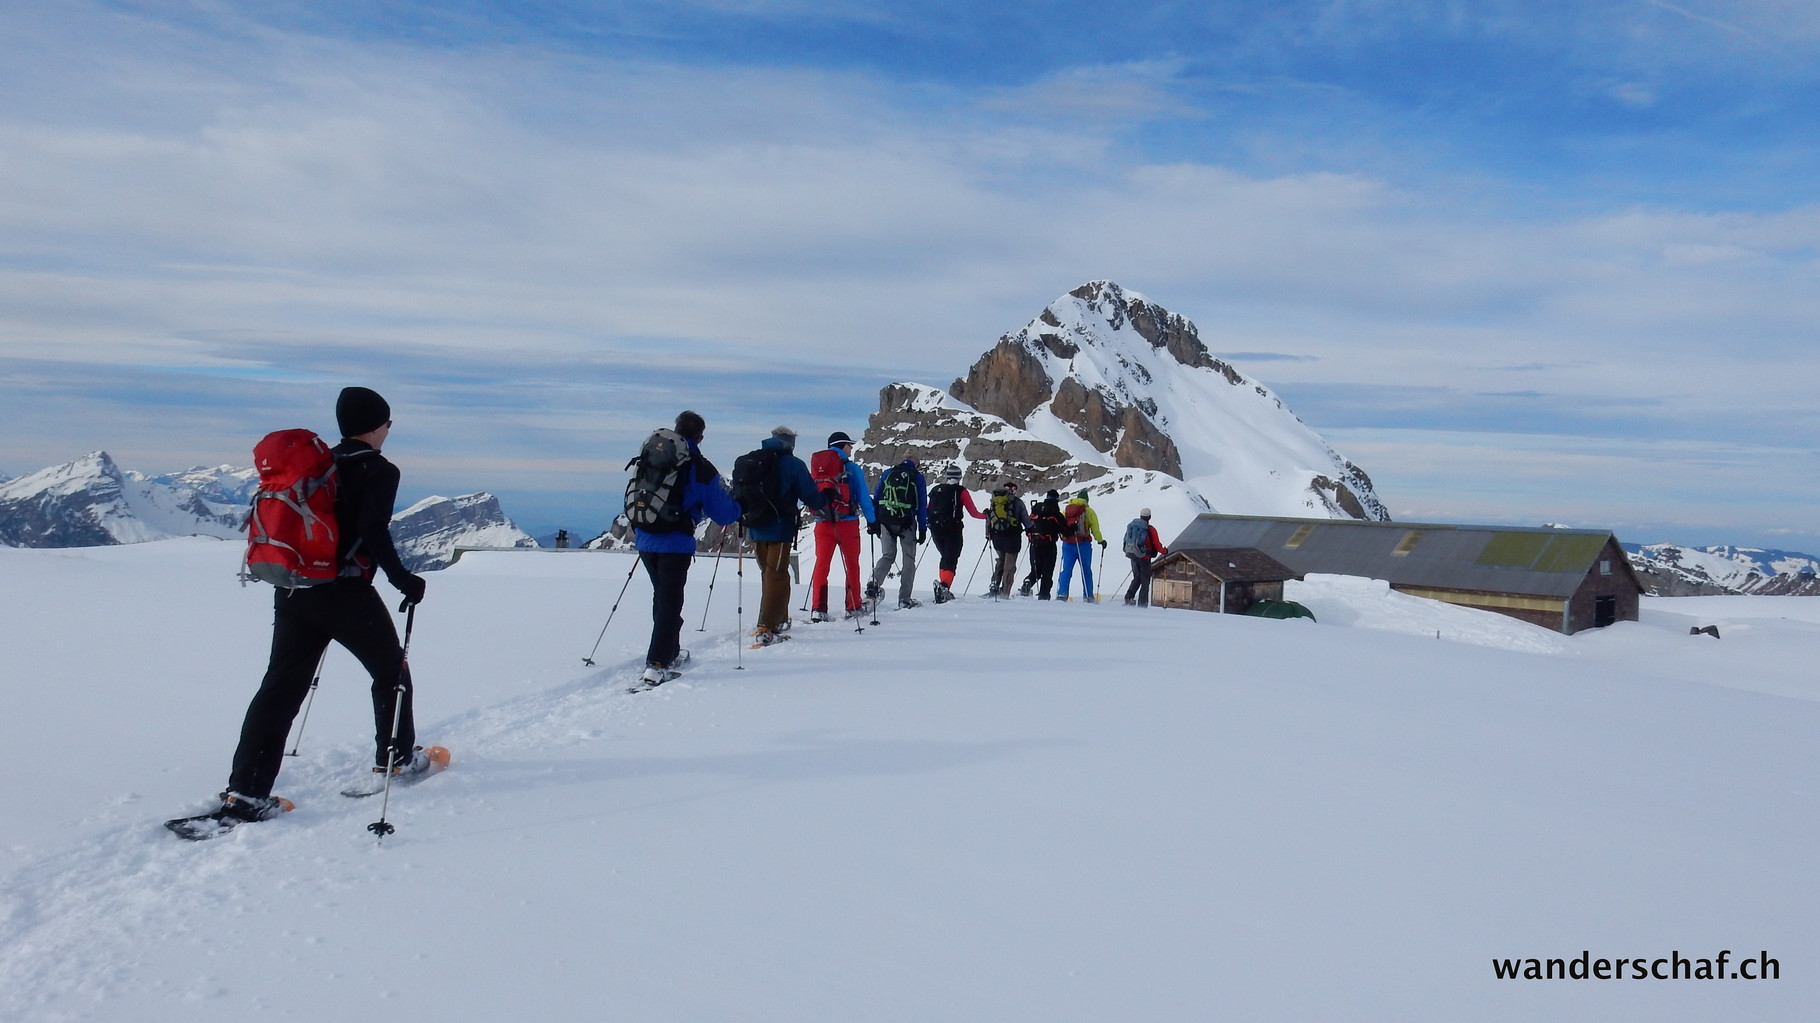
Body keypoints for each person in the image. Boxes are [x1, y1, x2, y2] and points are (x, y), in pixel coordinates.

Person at [215, 386, 431, 823]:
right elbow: (373, 530)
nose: (388, 430)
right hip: (345, 593)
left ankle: (246, 793)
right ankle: (397, 759)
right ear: (376, 425)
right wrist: (403, 579)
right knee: (391, 672)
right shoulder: (379, 470)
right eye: (388, 423)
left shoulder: (318, 464)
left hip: (294, 590)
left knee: (280, 688)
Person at [632, 411, 740, 685]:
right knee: (670, 601)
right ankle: (657, 664)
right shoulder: (700, 467)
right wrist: (739, 506)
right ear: (700, 437)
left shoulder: (654, 455)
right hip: (675, 543)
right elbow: (724, 514)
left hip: (644, 537)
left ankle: (671, 652)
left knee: (663, 597)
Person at [742, 426, 826, 645]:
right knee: (777, 573)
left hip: (756, 526)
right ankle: (766, 625)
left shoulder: (755, 460)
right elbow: (810, 495)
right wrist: (823, 501)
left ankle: (777, 618)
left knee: (768, 573)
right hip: (780, 527)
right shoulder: (793, 464)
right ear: (790, 443)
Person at [808, 432, 877, 621]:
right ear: (842, 445)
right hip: (847, 522)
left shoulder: (818, 468)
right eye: (849, 445)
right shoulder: (851, 468)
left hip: (822, 523)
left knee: (822, 565)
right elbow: (863, 496)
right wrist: (872, 521)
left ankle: (818, 609)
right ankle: (853, 606)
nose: (852, 448)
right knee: (852, 564)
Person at [867, 457, 929, 609]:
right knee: (908, 559)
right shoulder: (917, 478)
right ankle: (904, 599)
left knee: (888, 555)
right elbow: (922, 505)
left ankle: (874, 583)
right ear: (917, 463)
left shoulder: (888, 473)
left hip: (885, 520)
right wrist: (922, 528)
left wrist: (874, 522)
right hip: (907, 523)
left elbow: (876, 498)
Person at [924, 464, 986, 602]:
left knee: (944, 557)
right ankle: (944, 587)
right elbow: (974, 513)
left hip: (935, 529)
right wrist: (986, 515)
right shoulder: (961, 491)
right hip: (953, 530)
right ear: (959, 477)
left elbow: (927, 508)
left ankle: (943, 586)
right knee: (951, 559)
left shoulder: (936, 489)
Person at [984, 480, 1035, 598]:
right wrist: (1031, 528)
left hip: (997, 537)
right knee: (1009, 566)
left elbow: (990, 518)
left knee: (1000, 561)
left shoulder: (995, 501)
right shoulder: (1018, 503)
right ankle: (1005, 592)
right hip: (1013, 538)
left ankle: (994, 584)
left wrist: (988, 533)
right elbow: (1027, 522)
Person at [1055, 489, 1106, 602]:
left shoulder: (1067, 511)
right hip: (1083, 544)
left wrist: (1063, 537)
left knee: (1066, 570)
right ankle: (1088, 596)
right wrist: (1101, 540)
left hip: (1068, 545)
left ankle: (1062, 593)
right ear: (1086, 500)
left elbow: (1061, 526)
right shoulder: (1089, 511)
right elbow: (1095, 529)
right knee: (1086, 570)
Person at [1019, 489, 1066, 599]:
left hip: (1035, 544)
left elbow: (1028, 524)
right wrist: (1073, 528)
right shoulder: (1055, 513)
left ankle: (1027, 583)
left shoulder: (1036, 509)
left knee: (1036, 570)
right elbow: (1065, 530)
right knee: (1047, 572)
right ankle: (1044, 595)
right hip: (1049, 545)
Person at [1122, 508, 1169, 607]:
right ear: (1149, 517)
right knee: (1145, 580)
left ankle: (1128, 597)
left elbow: (1126, 540)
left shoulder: (1132, 526)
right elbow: (1156, 544)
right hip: (1144, 557)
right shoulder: (1149, 529)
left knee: (1137, 577)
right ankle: (1142, 604)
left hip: (1133, 555)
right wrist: (1164, 551)